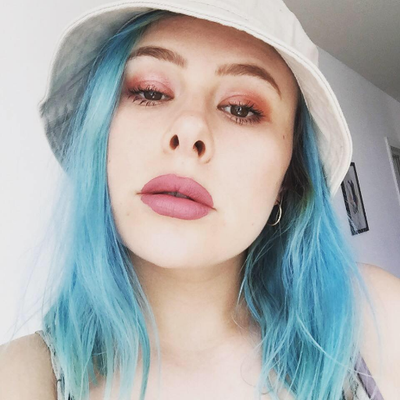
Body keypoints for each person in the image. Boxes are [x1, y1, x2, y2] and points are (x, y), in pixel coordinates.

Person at [0, 1, 399, 399]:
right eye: (150, 92)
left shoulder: (370, 321)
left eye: (241, 109)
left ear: (288, 179)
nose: (189, 128)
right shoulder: (23, 379)